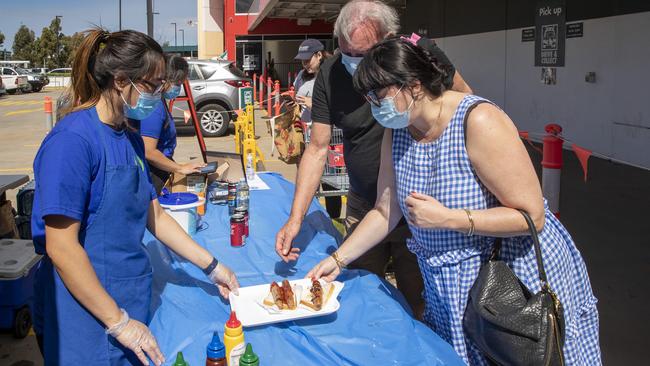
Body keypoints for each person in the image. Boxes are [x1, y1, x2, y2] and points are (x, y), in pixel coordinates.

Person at [307, 37, 602, 365]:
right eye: (369, 97)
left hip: (507, 285)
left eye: (378, 95)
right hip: (449, 289)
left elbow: (532, 216)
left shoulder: (478, 120)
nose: (374, 106)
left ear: (414, 85)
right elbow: (385, 209)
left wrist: (449, 218)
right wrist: (339, 259)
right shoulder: (399, 129)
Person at [31, 29, 240, 366]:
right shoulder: (72, 142)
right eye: (152, 85)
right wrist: (117, 321)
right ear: (120, 80)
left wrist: (213, 266)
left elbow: (154, 216)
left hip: (127, 296)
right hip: (86, 314)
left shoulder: (129, 140)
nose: (160, 93)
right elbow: (61, 246)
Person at [275, 0, 472, 317]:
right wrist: (296, 218)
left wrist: (456, 212)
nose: (354, 63)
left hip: (425, 208)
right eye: (346, 52)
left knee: (423, 301)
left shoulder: (421, 55)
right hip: (369, 204)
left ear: (391, 40)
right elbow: (317, 148)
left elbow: (463, 107)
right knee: (362, 295)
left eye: (363, 54)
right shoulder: (332, 74)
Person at [131, 55, 205, 194]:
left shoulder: (160, 101)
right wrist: (180, 168)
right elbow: (149, 151)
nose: (178, 88)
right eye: (177, 83)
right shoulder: (155, 107)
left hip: (161, 168)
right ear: (164, 80)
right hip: (154, 173)